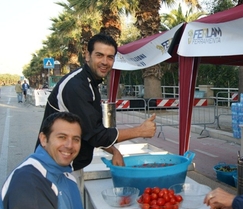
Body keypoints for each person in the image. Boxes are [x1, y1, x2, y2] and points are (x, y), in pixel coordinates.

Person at [0, 112, 149, 209]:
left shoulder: (64, 174)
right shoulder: (28, 182)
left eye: (76, 139)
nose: (69, 145)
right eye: (62, 137)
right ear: (44, 139)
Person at [37, 33, 156, 198]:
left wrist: (114, 151)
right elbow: (96, 135)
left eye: (110, 57)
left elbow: (90, 128)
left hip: (68, 164)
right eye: (99, 55)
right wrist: (140, 131)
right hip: (56, 168)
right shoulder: (76, 86)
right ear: (87, 56)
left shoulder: (90, 83)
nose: (105, 62)